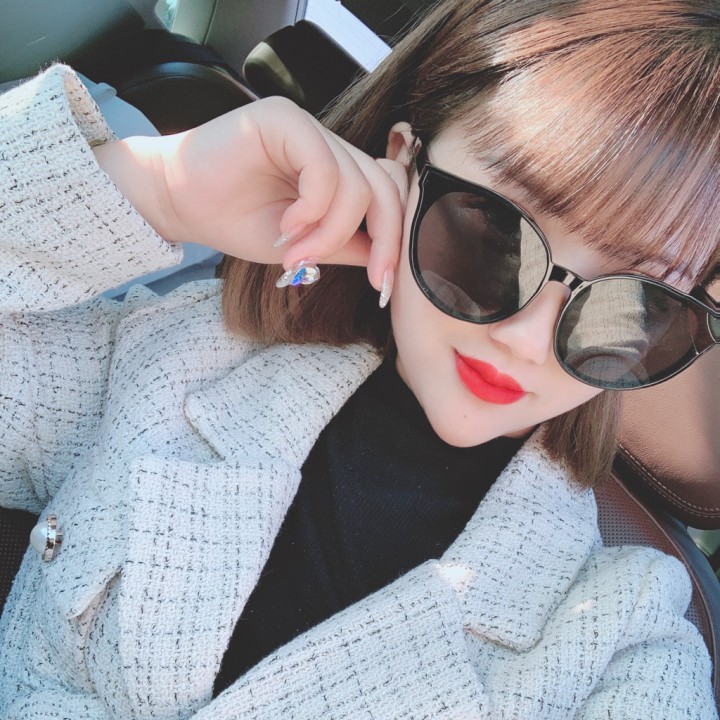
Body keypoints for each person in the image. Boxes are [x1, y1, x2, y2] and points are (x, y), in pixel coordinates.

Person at [0, 0, 718, 717]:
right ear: (404, 163)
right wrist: (155, 188)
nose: (526, 340)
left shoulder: (622, 642)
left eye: (634, 302)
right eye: (497, 236)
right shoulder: (184, 354)